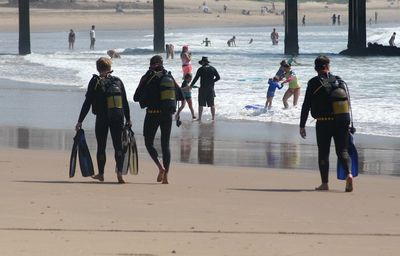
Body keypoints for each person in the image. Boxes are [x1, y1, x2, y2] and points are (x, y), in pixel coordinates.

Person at [300, 55, 354, 192]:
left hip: (323, 123)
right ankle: (349, 174)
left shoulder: (313, 82)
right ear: (328, 66)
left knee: (323, 152)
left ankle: (325, 184)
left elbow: (306, 104)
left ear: (315, 68)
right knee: (342, 150)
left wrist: (302, 125)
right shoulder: (339, 80)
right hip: (342, 121)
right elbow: (348, 104)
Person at [75, 57, 131, 183]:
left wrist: (80, 121)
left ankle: (101, 174)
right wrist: (128, 119)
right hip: (118, 117)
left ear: (97, 68)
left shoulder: (95, 82)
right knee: (118, 146)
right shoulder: (118, 81)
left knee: (101, 146)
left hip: (102, 118)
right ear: (110, 68)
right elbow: (125, 102)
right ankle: (119, 174)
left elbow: (87, 102)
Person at [133, 55, 182, 184]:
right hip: (167, 115)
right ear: (162, 64)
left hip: (152, 113)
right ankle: (166, 177)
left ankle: (160, 167)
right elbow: (181, 95)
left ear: (151, 64)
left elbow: (136, 97)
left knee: (149, 143)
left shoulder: (147, 77)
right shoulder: (169, 77)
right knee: (165, 145)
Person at [190, 56, 220, 121]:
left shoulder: (201, 69)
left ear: (203, 62)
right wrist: (212, 81)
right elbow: (218, 77)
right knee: (212, 104)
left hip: (203, 89)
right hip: (211, 88)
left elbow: (196, 78)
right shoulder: (213, 68)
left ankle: (200, 118)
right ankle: (213, 118)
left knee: (201, 104)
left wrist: (191, 86)